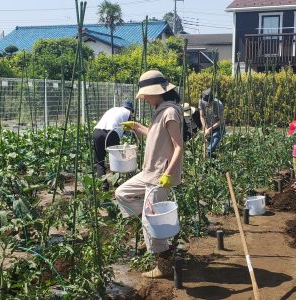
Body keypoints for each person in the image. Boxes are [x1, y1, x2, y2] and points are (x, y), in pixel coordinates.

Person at [114, 70, 184, 278]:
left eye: (146, 95)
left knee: (150, 219)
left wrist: (168, 175)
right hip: (148, 172)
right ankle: (155, 230)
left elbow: (179, 147)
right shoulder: (160, 110)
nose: (144, 99)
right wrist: (137, 127)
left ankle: (163, 263)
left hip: (160, 175)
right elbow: (155, 135)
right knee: (122, 193)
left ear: (157, 93)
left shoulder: (170, 112)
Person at [92, 100, 134, 190]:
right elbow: (132, 129)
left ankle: (103, 185)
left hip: (97, 132)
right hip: (111, 133)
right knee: (117, 160)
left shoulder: (114, 109)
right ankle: (117, 182)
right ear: (131, 109)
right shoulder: (128, 113)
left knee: (99, 161)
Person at [198, 89, 225, 158]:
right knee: (210, 146)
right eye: (206, 102)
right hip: (207, 127)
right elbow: (202, 116)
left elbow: (221, 120)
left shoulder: (219, 104)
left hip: (218, 127)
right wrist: (205, 129)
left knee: (210, 148)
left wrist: (209, 129)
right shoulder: (201, 101)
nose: (207, 104)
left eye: (209, 103)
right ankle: (212, 163)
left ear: (212, 100)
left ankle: (209, 163)